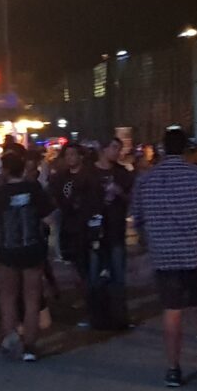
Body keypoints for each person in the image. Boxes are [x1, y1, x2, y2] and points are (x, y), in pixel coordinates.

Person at [131, 127, 197, 388]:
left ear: (163, 149)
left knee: (172, 310)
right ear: (186, 148)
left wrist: (150, 242)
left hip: (164, 254)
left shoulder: (146, 180)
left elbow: (138, 219)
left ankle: (173, 368)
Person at [0, 148, 54, 361]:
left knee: (8, 295)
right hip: (33, 247)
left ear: (5, 170)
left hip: (8, 248)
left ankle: (11, 339)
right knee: (32, 297)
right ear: (23, 168)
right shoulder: (34, 188)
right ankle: (30, 347)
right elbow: (48, 217)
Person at [68, 136, 134, 330]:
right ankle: (96, 316)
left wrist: (120, 193)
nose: (117, 152)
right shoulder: (88, 173)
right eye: (114, 148)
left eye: (119, 149)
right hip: (95, 232)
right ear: (103, 149)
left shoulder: (122, 173)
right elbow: (74, 198)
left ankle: (119, 317)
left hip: (115, 230)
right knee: (94, 277)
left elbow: (132, 198)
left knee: (118, 276)